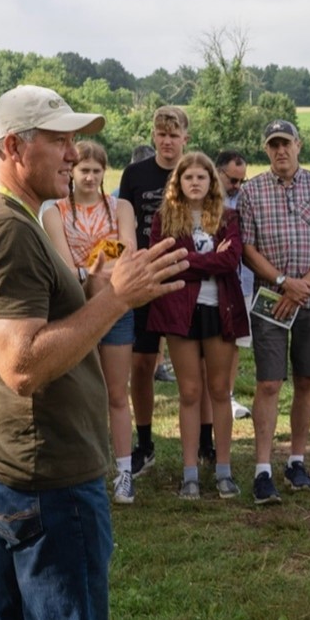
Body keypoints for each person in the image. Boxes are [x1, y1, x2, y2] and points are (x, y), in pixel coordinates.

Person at [0, 85, 186, 620]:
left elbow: (30, 319)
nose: (73, 150)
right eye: (57, 138)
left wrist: (94, 287)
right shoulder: (6, 232)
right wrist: (114, 303)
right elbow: (20, 363)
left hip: (4, 464)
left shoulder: (13, 216)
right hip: (42, 476)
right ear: (15, 146)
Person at [238, 120, 310, 504]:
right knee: (268, 383)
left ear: (299, 145)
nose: (281, 151)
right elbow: (247, 249)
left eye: (286, 144)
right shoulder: (251, 191)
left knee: (306, 381)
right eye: (273, 146)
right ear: (266, 151)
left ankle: (297, 460)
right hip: (271, 300)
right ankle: (263, 468)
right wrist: (284, 281)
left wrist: (304, 285)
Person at [41, 141, 139, 504]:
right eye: (84, 170)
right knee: (81, 392)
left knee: (117, 392)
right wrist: (102, 260)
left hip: (116, 307)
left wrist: (91, 264)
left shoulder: (121, 207)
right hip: (75, 308)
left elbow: (128, 246)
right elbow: (67, 266)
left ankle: (124, 471)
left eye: (97, 171)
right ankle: (88, 467)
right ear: (72, 173)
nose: (90, 177)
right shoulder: (55, 212)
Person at [148, 152, 248, 500]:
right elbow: (164, 262)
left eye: (201, 178)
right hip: (180, 311)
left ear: (212, 182)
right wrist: (207, 261)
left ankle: (223, 470)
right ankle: (189, 474)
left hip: (220, 309)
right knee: (189, 392)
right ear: (178, 183)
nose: (194, 182)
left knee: (220, 391)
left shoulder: (228, 217)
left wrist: (188, 260)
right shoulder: (164, 220)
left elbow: (231, 259)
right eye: (187, 177)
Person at [118, 106, 190, 477]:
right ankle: (144, 444)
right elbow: (124, 221)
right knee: (142, 364)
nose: (166, 141)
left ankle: (203, 442)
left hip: (186, 279)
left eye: (173, 135)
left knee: (193, 367)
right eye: (161, 134)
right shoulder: (135, 174)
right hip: (145, 278)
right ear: (153, 136)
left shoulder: (194, 170)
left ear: (185, 139)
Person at [215, 149, 253, 422]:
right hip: (211, 285)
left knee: (233, 341)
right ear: (218, 172)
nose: (237, 186)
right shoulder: (203, 199)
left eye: (242, 180)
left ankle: (226, 396)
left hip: (243, 283)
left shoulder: (245, 200)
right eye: (233, 180)